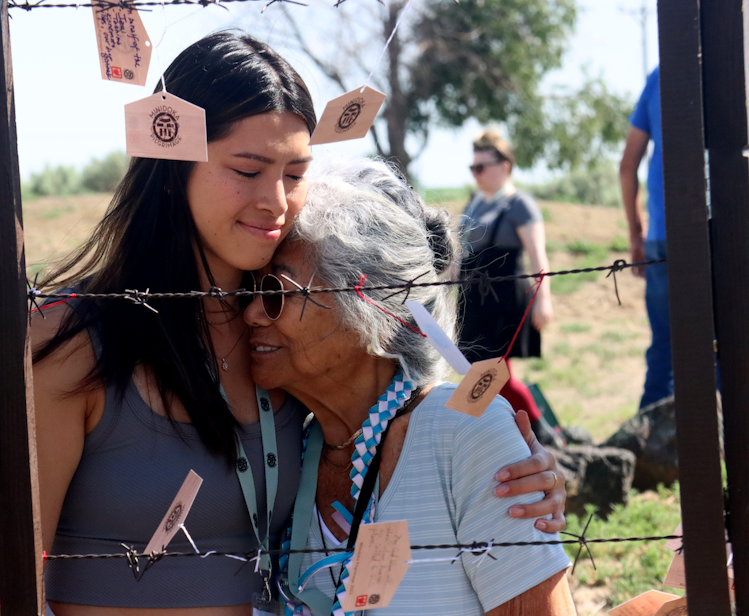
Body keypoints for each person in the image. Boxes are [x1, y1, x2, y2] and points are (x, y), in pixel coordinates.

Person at [32, 32, 567, 616]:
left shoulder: (275, 356)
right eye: (248, 168)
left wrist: (506, 474)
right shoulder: (70, 339)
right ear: (171, 163)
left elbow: (393, 417)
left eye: (294, 173)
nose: (276, 201)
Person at [251, 157, 574, 615]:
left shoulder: (462, 433)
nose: (250, 313)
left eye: (274, 291)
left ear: (370, 303)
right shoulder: (285, 450)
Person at [458, 129, 560, 445]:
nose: (476, 174)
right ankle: (516, 437)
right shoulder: (474, 203)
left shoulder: (520, 204)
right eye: (472, 168)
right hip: (473, 305)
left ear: (504, 165)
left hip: (503, 303)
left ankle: (544, 435)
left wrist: (543, 300)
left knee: (490, 375)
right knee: (484, 375)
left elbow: (537, 255)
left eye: (481, 167)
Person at [619, 66, 671, 409]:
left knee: (665, 350)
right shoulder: (734, 62)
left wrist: (637, 236)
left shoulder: (661, 75)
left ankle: (648, 454)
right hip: (729, 234)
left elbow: (627, 165)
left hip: (663, 239)